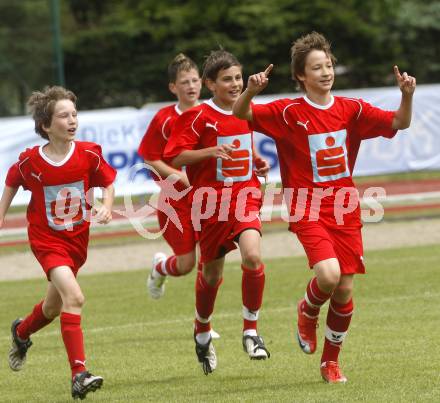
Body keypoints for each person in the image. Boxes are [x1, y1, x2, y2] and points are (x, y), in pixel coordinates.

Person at [233, 32, 416, 383]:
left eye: (328, 65)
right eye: (316, 67)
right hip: (306, 206)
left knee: (345, 289)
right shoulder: (288, 112)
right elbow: (243, 114)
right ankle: (308, 308)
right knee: (329, 276)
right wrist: (251, 90)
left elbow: (399, 122)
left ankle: (330, 362)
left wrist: (406, 96)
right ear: (301, 75)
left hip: (344, 206)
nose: (326, 72)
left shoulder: (352, 109)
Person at [0, 86, 116, 399]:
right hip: (47, 242)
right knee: (74, 298)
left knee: (52, 307)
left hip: (76, 243)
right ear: (46, 126)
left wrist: (106, 205)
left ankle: (22, 332)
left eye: (74, 114)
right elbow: (12, 180)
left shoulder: (89, 153)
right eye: (63, 115)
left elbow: (107, 180)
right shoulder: (31, 162)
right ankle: (79, 374)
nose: (72, 119)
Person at [164, 49, 271, 375]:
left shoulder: (245, 110)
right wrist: (210, 151)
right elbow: (175, 157)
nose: (235, 84)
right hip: (210, 206)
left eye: (238, 77)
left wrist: (254, 159)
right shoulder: (196, 117)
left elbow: (242, 139)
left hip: (245, 199)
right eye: (227, 79)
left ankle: (251, 331)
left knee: (253, 256)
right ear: (210, 83)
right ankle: (202, 329)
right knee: (211, 275)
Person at [137, 53, 220, 339]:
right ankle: (160, 267)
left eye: (195, 80)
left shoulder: (211, 115)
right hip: (176, 201)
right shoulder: (164, 119)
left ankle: (204, 322)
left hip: (208, 200)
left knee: (211, 261)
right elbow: (149, 157)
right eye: (184, 82)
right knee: (186, 265)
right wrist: (181, 176)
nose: (191, 86)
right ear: (173, 87)